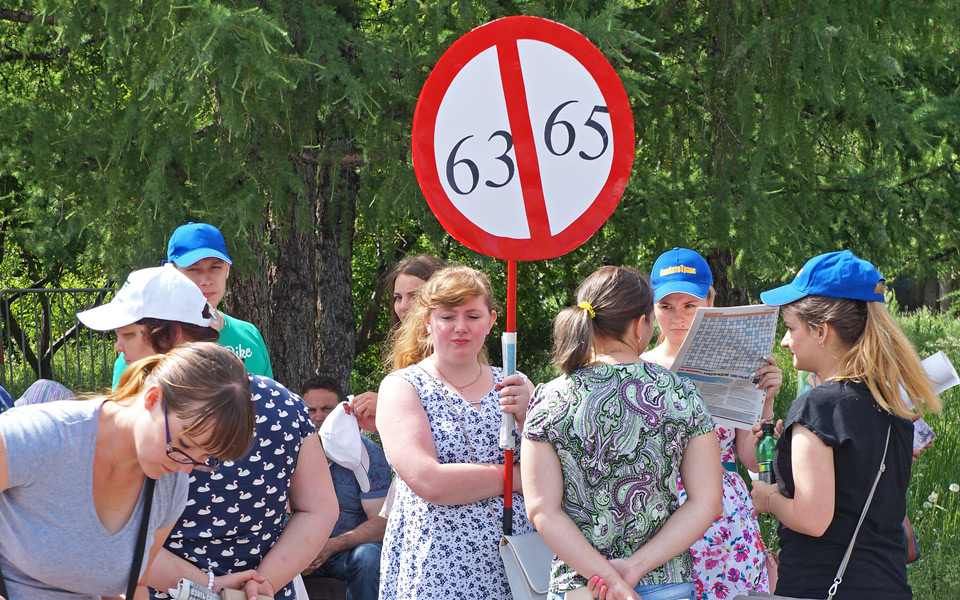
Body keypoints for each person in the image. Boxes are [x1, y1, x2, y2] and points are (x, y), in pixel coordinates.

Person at [78, 265, 338, 599]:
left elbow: (119, 541)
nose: (118, 347)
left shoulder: (140, 413)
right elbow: (319, 509)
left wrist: (205, 587)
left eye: (127, 334)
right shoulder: (283, 403)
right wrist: (264, 583)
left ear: (169, 336)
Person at [522, 265, 722, 600]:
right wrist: (633, 568)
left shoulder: (550, 398)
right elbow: (706, 502)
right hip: (665, 581)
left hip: (581, 586)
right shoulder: (681, 393)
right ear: (640, 323)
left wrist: (606, 578)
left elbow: (543, 510)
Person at [751, 249, 940, 599]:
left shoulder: (817, 406)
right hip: (888, 585)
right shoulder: (892, 403)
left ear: (821, 331)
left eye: (790, 328)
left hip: (823, 586)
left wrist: (767, 499)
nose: (784, 340)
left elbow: (811, 518)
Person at [0, 342, 255, 600]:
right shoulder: (42, 436)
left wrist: (211, 587)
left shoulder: (171, 482)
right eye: (184, 444)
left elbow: (136, 583)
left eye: (203, 459)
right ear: (153, 398)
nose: (186, 469)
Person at [375, 265, 535, 600]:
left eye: (473, 316)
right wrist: (517, 479)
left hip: (518, 565)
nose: (460, 327)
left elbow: (554, 471)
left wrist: (527, 418)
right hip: (438, 567)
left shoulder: (513, 383)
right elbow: (430, 481)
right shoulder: (402, 387)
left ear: (491, 322)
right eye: (448, 316)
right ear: (427, 322)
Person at [643, 248, 780, 599]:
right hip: (662, 515)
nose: (678, 318)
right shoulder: (637, 368)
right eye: (666, 307)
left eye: (690, 305)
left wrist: (766, 398)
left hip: (727, 519)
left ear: (711, 300)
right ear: (651, 307)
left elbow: (751, 460)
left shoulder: (737, 360)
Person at [112, 222, 272, 386]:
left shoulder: (248, 334)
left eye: (215, 267)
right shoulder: (146, 348)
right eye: (193, 269)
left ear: (227, 269)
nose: (206, 281)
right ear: (171, 273)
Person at [301, 375, 391, 600]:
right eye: (310, 410)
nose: (318, 417)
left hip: (349, 553)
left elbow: (382, 523)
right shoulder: (288, 452)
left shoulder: (366, 453)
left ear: (343, 411)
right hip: (298, 551)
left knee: (370, 556)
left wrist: (333, 545)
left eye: (327, 409)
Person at [349, 254, 448, 432]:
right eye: (398, 297)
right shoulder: (407, 352)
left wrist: (389, 407)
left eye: (415, 296)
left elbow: (460, 422)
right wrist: (382, 423)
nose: (403, 306)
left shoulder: (453, 349)